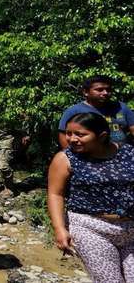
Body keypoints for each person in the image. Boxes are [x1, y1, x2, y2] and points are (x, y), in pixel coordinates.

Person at [47, 112, 134, 282]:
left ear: (102, 136)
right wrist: (59, 229)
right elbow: (55, 194)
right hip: (90, 228)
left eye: (80, 134)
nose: (72, 139)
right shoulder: (65, 159)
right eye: (69, 133)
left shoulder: (129, 153)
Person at [58, 75, 134, 148]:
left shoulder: (121, 107)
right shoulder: (74, 111)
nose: (105, 93)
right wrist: (72, 157)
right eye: (99, 90)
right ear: (85, 92)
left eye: (108, 90)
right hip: (89, 157)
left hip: (122, 155)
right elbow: (63, 135)